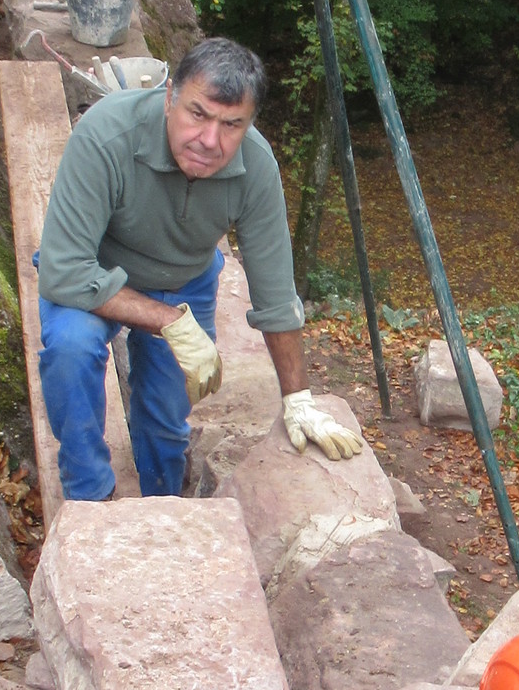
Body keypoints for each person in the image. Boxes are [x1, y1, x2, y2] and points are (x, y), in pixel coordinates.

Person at [35, 36, 364, 501]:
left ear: (250, 122)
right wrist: (172, 322)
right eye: (198, 114)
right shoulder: (107, 135)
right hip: (97, 275)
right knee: (71, 347)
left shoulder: (255, 167)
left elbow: (275, 295)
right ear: (169, 96)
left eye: (231, 124)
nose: (210, 140)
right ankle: (90, 497)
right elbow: (64, 272)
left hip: (182, 280)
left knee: (166, 419)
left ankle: (166, 505)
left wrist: (298, 400)